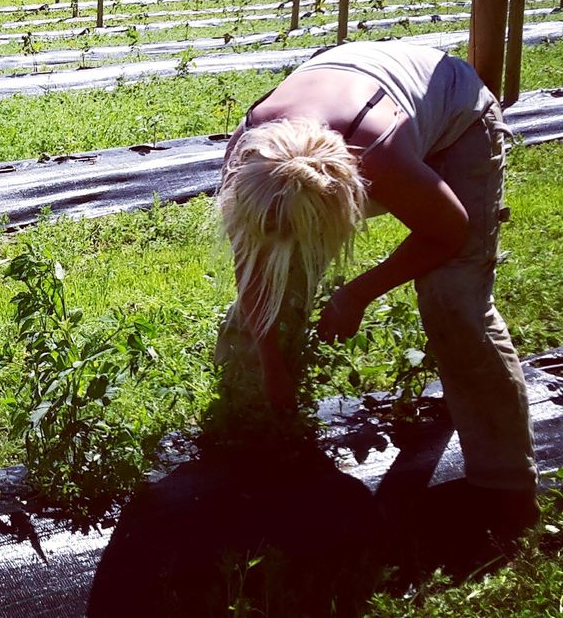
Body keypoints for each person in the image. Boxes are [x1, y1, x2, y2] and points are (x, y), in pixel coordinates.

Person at [213, 39, 538, 534]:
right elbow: (255, 276)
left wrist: (355, 294)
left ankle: (506, 489)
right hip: (358, 95)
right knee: (271, 292)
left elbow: (450, 230)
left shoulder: (377, 155)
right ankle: (242, 430)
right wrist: (272, 371)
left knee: (453, 299)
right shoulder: (250, 163)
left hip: (457, 120)